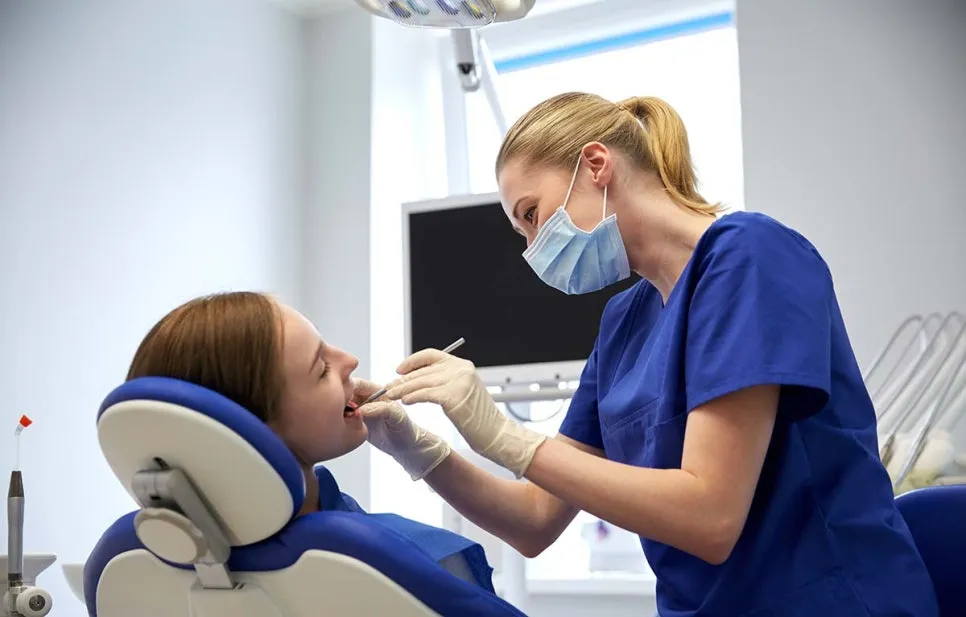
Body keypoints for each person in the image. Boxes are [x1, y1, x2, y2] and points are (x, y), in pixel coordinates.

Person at [359, 93, 940, 616]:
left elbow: (710, 517)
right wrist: (418, 449)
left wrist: (503, 434)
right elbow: (536, 519)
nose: (533, 250)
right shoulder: (624, 322)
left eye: (532, 216)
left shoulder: (748, 257)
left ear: (595, 164)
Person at [125, 291, 496, 593]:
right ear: (249, 435)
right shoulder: (416, 562)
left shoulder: (127, 569)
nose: (350, 360)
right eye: (321, 370)